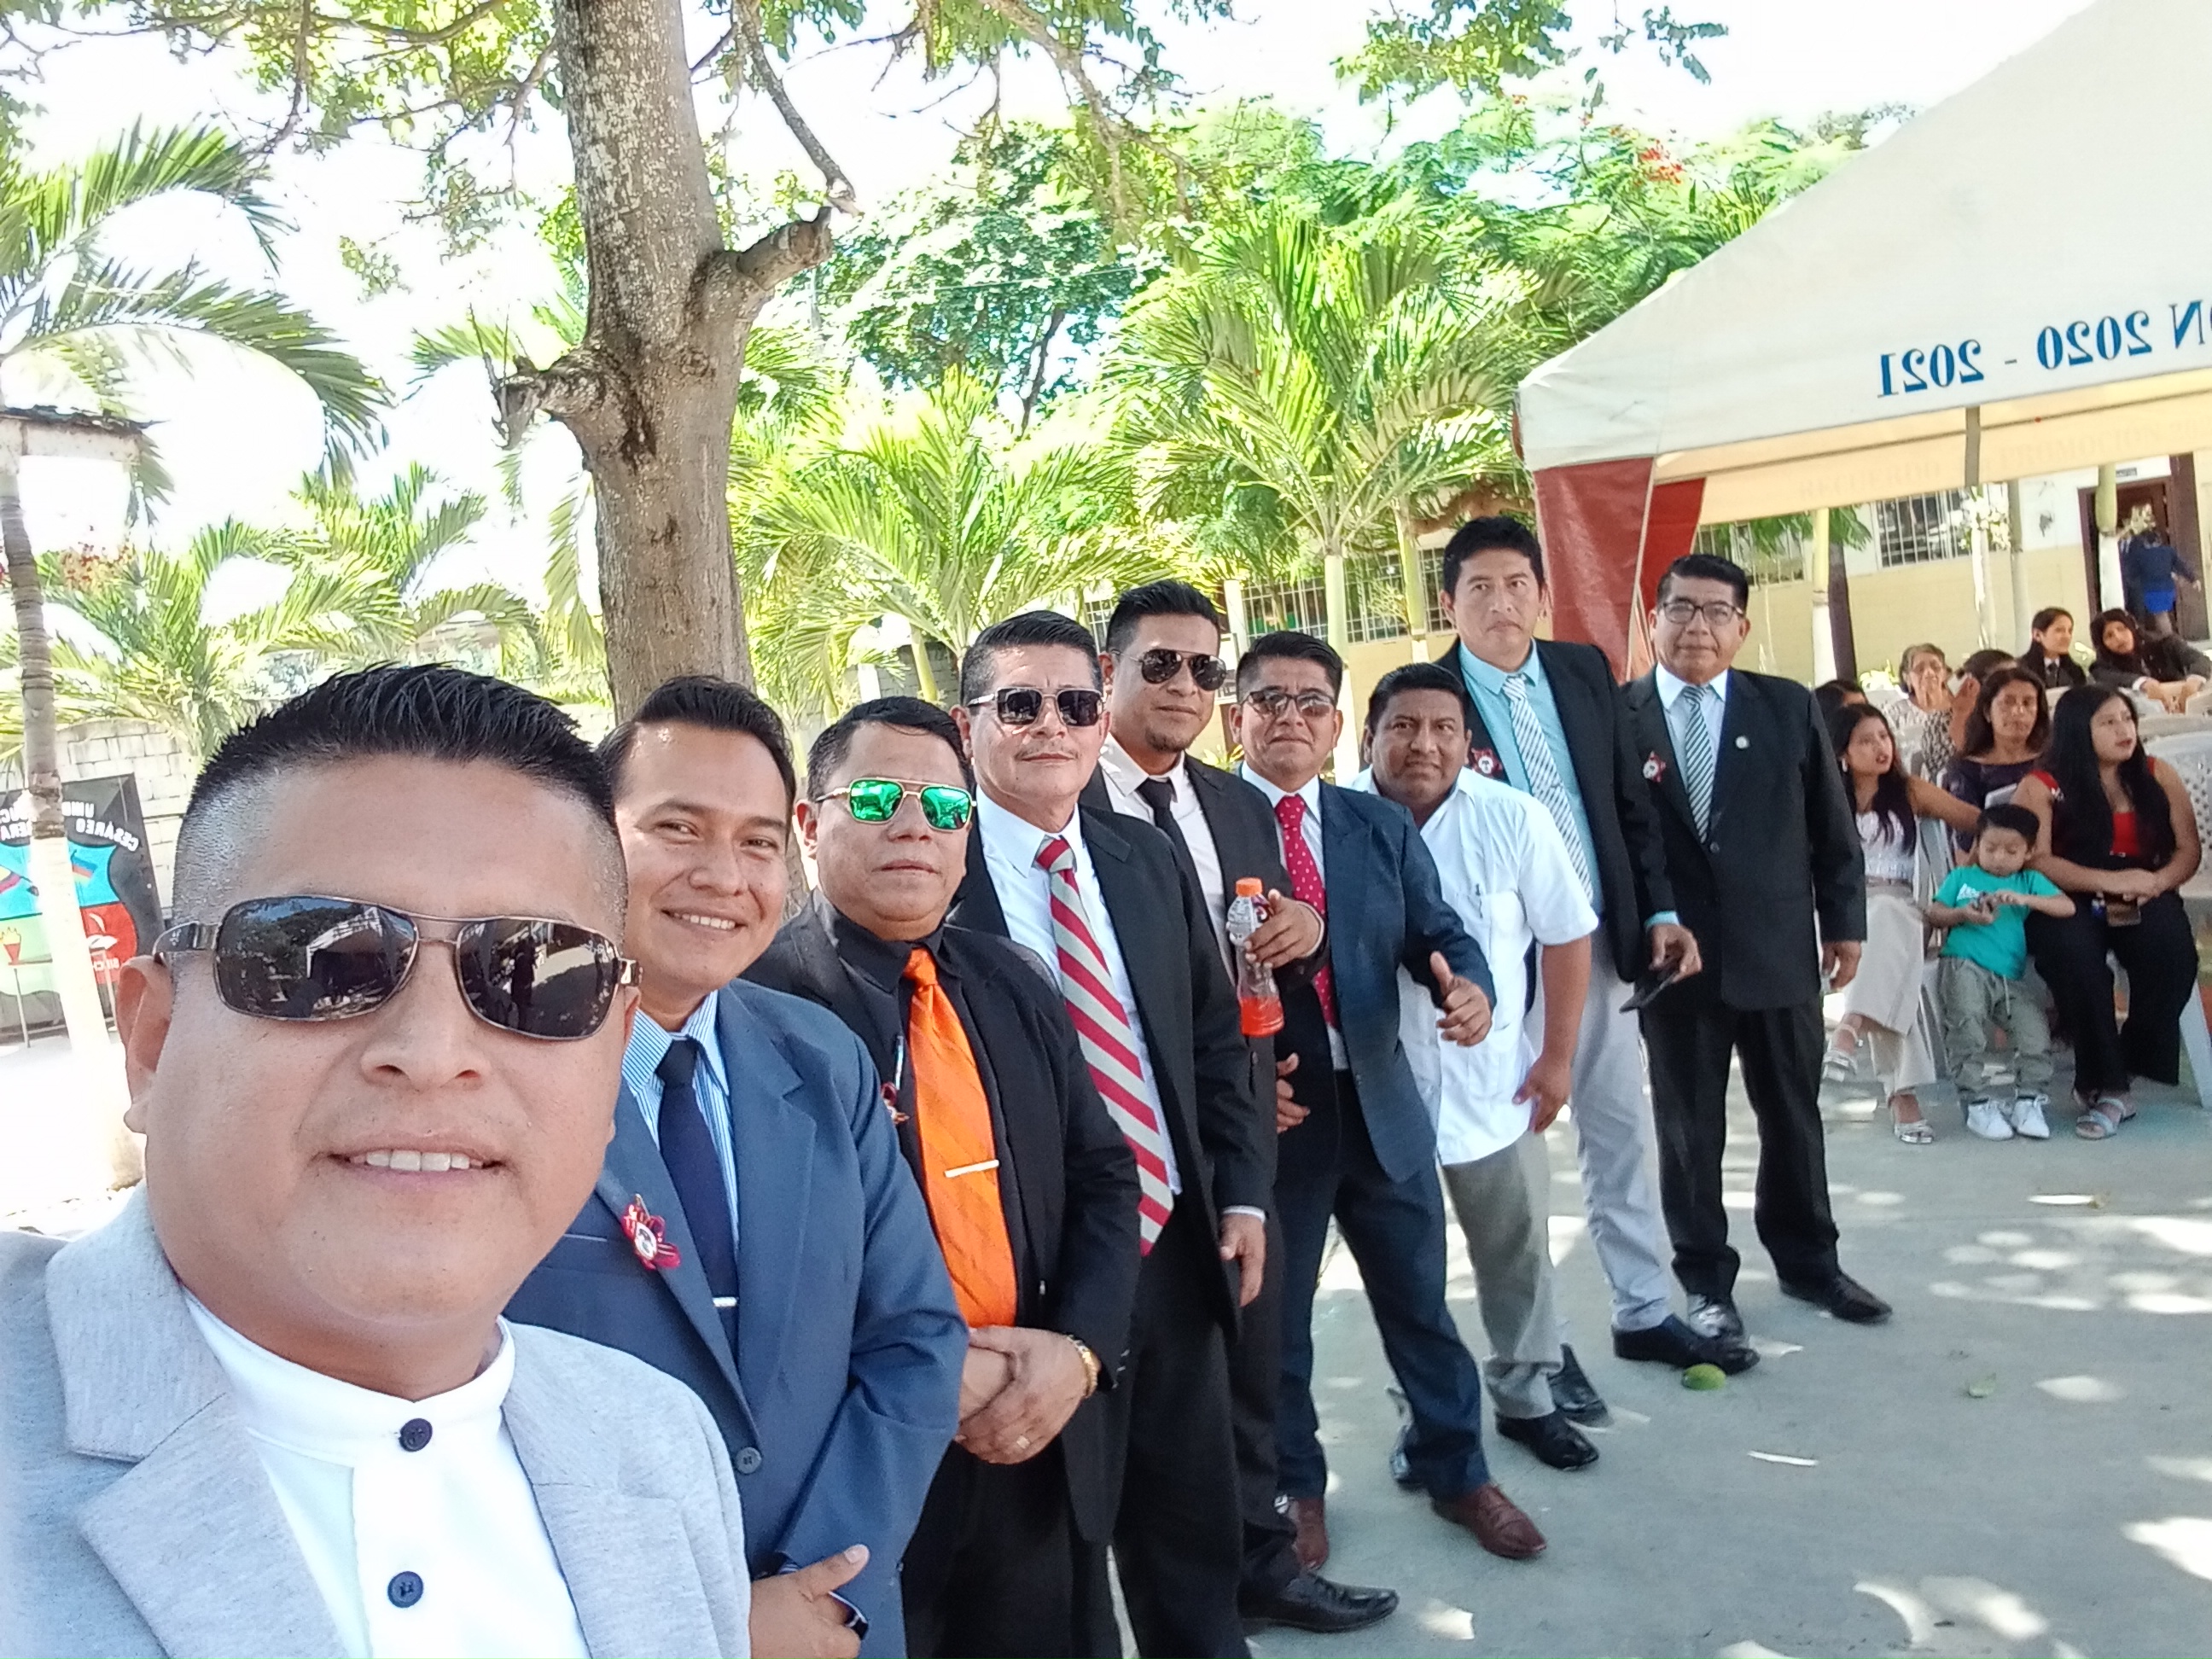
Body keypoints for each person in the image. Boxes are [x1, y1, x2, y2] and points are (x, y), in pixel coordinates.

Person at [4, 666, 758, 1658]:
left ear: (612, 1055)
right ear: (154, 1038)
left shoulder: (659, 1445)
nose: (434, 1051)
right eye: (320, 957)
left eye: (536, 973)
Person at [507, 676, 968, 1659]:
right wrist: (713, 1623)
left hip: (835, 1620)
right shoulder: (498, 1075)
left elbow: (916, 1337)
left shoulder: (822, 1059)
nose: (724, 876)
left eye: (758, 843)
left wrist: (828, 1585)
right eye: (679, 829)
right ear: (590, 841)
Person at [744, 697, 1142, 1659]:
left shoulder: (1013, 982)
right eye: (878, 798)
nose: (915, 825)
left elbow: (1103, 1176)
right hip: (858, 1479)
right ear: (809, 824)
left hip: (1034, 1437)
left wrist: (1079, 1353)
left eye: (945, 806)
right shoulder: (754, 1009)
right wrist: (923, 1370)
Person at [946, 610, 1270, 1659]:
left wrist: (1243, 1191)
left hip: (1174, 1249)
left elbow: (1213, 1041)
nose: (1052, 725)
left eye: (1076, 703)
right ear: (966, 725)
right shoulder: (936, 882)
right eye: (1020, 704)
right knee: (1057, 1573)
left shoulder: (1144, 857)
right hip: (1031, 1283)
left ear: (1100, 720)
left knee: (1194, 1542)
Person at [1080, 579, 1394, 1637]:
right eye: (1159, 663)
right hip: (1118, 1144)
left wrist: (1304, 942)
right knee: (1146, 1396)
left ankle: (1265, 1566)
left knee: (1253, 1364)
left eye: (1204, 668)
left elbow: (1258, 965)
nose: (1184, 684)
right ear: (1110, 672)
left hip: (1241, 1134)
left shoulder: (1236, 805)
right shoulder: (1066, 803)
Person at [1231, 630, 1545, 1566]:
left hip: (1381, 1103)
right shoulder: (1201, 823)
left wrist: (1470, 983)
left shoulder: (1377, 825)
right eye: (1270, 700)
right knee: (1277, 1327)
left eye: (1311, 703)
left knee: (1421, 1309)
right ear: (1237, 717)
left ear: (1339, 726)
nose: (1291, 718)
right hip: (1277, 1118)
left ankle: (1459, 1472)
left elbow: (1435, 929)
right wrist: (1238, 1087)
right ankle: (1296, 1489)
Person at [1433, 516, 1739, 1382]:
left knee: (1619, 1133)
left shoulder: (1582, 671)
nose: (1501, 603)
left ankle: (1644, 1310)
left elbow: (1628, 804)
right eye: (1480, 588)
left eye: (1517, 585)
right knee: (1517, 1159)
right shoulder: (1428, 698)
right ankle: (1543, 1344)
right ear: (1449, 604)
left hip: (1599, 943)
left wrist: (1659, 909)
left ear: (1543, 594)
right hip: (1495, 964)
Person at [1625, 553, 1890, 1338]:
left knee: (1793, 1117)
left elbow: (1831, 826)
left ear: (1741, 627)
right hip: (1675, 962)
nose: (1697, 626)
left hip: (1777, 949)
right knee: (1689, 1132)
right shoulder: (1618, 715)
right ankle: (1707, 1283)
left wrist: (1845, 922)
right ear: (1654, 620)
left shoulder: (1785, 706)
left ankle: (1812, 1263)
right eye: (1680, 608)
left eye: (1716, 612)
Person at [1353, 663, 1602, 1473]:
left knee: (1516, 1256)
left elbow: (1567, 934)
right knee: (1405, 1278)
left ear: (1467, 741)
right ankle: (1422, 1419)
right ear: (1370, 734)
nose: (1423, 744)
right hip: (1379, 1100)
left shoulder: (1513, 817)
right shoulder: (1334, 822)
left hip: (1494, 1089)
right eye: (1403, 726)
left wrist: (1556, 1058)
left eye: (1443, 729)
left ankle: (1528, 1398)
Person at [2011, 684, 2203, 1139]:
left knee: (2172, 954)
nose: (2124, 730)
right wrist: (2109, 881)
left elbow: (2188, 850)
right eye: (2109, 722)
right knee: (2075, 958)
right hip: (2066, 892)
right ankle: (2114, 1089)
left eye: (2127, 719)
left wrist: (2157, 882)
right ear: (2080, 731)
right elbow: (2036, 861)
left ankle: (2115, 1066)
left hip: (2145, 888)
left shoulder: (2157, 774)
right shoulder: (2042, 786)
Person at [1820, 703, 1978, 1143]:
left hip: (1902, 906)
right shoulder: (1823, 798)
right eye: (1866, 741)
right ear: (1843, 753)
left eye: (1884, 737)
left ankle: (1851, 1026)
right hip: (1841, 915)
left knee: (1886, 918)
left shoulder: (1909, 791)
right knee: (1885, 956)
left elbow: (1977, 822)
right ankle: (1900, 1095)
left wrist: (1967, 873)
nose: (1881, 747)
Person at [1924, 804, 2073, 1142]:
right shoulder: (1962, 877)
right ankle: (1976, 1103)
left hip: (2009, 977)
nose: (1999, 858)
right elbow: (1935, 913)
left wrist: (2026, 900)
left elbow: (2066, 907)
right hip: (1963, 964)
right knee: (1967, 1030)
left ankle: (2029, 1100)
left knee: (2034, 1032)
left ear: (2029, 852)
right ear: (1977, 844)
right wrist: (1963, 914)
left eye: (2011, 851)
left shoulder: (2028, 881)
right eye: (1990, 848)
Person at [1941, 665, 2052, 853]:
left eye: (2028, 703)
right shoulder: (1966, 770)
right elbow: (1965, 846)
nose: (2018, 711)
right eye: (2007, 703)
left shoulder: (2052, 759)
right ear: (1987, 712)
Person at [2088, 608, 2209, 713]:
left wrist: (2193, 683)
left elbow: (2200, 660)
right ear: (2102, 644)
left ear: (2132, 627)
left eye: (2122, 628)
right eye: (2109, 636)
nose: (2118, 638)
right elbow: (2111, 678)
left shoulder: (2165, 644)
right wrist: (2145, 684)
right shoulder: (2101, 667)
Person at [1887, 643, 1967, 781]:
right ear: (1907, 678)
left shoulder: (1960, 706)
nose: (1929, 673)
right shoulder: (1893, 714)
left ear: (1945, 674)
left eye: (1936, 667)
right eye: (1920, 669)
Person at [2121, 527, 2199, 637]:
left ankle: (2170, 641)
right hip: (2168, 589)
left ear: (2145, 541)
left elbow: (2132, 572)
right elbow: (2181, 565)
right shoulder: (2169, 551)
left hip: (2151, 590)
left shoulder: (2141, 555)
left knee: (2160, 616)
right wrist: (2193, 579)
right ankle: (2166, 641)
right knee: (2162, 615)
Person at [2017, 611, 2085, 690]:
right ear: (2037, 635)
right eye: (2059, 630)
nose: (2067, 637)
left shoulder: (2076, 671)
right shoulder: (2020, 669)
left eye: (2070, 631)